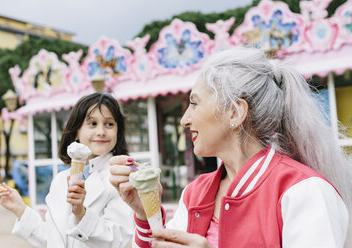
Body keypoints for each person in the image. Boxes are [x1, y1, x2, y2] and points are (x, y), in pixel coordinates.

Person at [109, 47, 352, 248]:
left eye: (194, 103)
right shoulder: (194, 193)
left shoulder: (305, 191)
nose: (185, 119)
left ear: (235, 112)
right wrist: (145, 216)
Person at [0, 93, 134, 248]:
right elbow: (53, 239)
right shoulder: (61, 180)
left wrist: (81, 214)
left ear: (118, 131)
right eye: (92, 123)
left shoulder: (121, 178)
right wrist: (20, 209)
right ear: (76, 131)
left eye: (109, 124)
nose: (101, 131)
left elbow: (117, 240)